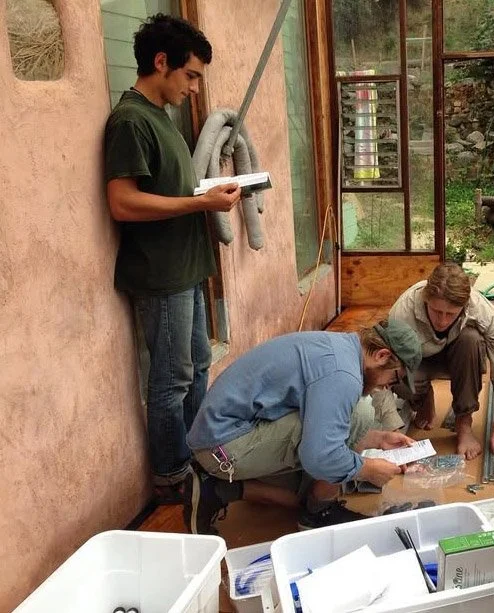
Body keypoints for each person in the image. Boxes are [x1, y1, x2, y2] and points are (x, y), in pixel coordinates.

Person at [103, 14, 242, 500]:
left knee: (197, 366)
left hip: (188, 269)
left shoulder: (160, 118)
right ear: (161, 63)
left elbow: (168, 191)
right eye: (191, 75)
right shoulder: (130, 120)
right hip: (161, 277)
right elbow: (123, 202)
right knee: (171, 380)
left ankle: (197, 455)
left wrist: (209, 192)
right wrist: (200, 203)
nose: (196, 89)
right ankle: (171, 478)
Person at [183, 320, 422, 534]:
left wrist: (378, 440)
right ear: (381, 355)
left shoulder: (342, 348)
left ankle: (219, 489)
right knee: (358, 417)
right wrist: (368, 468)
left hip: (225, 432)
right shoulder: (343, 375)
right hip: (221, 446)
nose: (389, 386)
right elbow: (321, 457)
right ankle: (317, 514)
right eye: (395, 378)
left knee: (329, 466)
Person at [383, 262, 494, 461]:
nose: (442, 321)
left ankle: (463, 424)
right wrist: (393, 429)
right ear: (425, 299)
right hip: (418, 360)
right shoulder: (402, 313)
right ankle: (422, 399)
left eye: (450, 314)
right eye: (436, 311)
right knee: (398, 375)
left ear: (465, 306)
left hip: (459, 357)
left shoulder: (482, 309)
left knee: (471, 340)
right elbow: (382, 375)